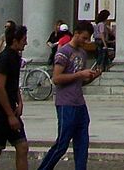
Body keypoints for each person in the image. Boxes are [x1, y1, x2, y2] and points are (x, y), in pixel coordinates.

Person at [36, 19, 100, 170]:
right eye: (84, 38)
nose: (86, 41)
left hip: (79, 103)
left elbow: (79, 81)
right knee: (62, 143)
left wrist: (91, 77)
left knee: (82, 144)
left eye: (88, 39)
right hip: (66, 103)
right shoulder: (64, 52)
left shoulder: (82, 53)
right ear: (76, 34)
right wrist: (79, 74)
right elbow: (56, 78)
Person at [0, 23, 29, 170]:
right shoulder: (3, 59)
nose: (26, 43)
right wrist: (10, 115)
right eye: (23, 39)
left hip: (12, 109)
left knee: (22, 146)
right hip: (1, 112)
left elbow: (13, 84)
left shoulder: (16, 58)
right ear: (15, 40)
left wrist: (20, 102)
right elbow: (0, 87)